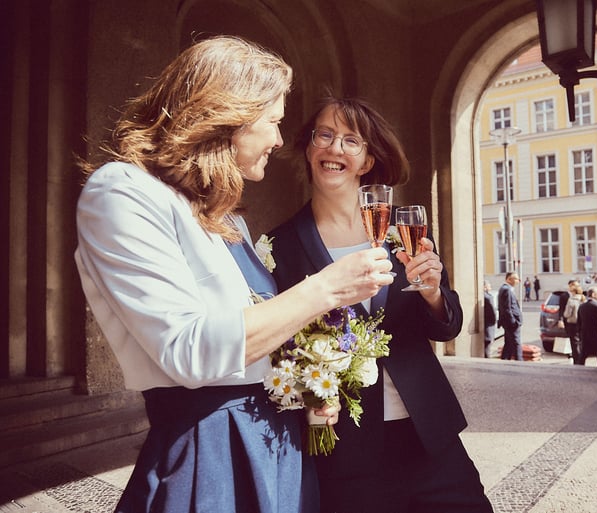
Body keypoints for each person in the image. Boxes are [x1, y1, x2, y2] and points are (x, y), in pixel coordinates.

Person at [74, 38, 394, 513]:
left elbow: (255, 342)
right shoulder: (122, 192)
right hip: (210, 447)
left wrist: (304, 391)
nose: (281, 140)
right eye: (274, 122)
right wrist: (325, 288)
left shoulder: (226, 219)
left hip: (279, 445)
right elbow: (188, 351)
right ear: (229, 115)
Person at [269, 96, 492, 513]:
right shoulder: (280, 247)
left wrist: (431, 292)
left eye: (351, 141)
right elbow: (279, 343)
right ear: (309, 147)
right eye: (325, 135)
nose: (335, 148)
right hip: (346, 449)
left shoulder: (402, 229)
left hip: (429, 436)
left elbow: (448, 326)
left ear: (368, 160)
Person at [497, 272, 523, 361]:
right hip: (511, 324)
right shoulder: (506, 289)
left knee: (508, 344)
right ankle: (520, 364)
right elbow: (506, 308)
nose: (518, 281)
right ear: (509, 279)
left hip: (509, 323)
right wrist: (514, 322)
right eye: (516, 279)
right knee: (516, 343)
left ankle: (504, 361)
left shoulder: (506, 288)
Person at [577, 286, 597, 365]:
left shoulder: (581, 306)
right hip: (596, 335)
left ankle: (579, 368)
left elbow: (579, 322)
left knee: (583, 355)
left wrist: (580, 333)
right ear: (593, 294)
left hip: (585, 334)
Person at [562, 279, 585, 364]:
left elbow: (567, 314)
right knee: (580, 342)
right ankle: (581, 359)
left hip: (573, 324)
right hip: (582, 324)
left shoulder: (571, 300)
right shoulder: (583, 299)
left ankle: (577, 360)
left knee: (574, 344)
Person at [483, 280, 497, 358]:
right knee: (487, 345)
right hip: (488, 325)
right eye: (489, 285)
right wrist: (494, 321)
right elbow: (492, 313)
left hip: (487, 324)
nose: (490, 286)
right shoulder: (488, 297)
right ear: (485, 287)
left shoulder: (485, 296)